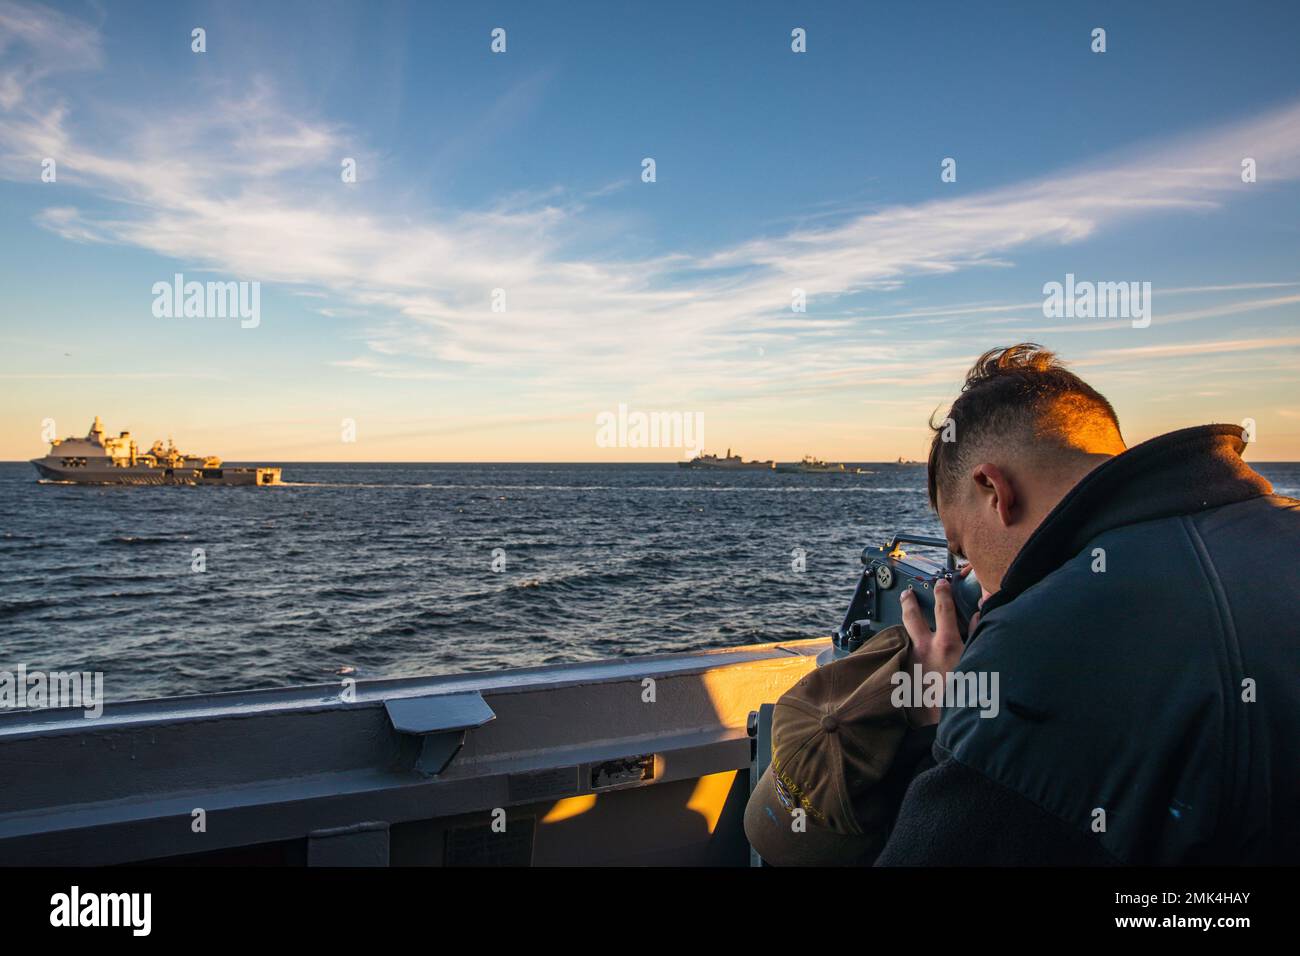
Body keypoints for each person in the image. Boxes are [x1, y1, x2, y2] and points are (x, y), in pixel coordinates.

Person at [875, 343, 1300, 864]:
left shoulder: (1034, 649)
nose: (970, 577)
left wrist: (943, 718)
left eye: (961, 546)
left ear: (993, 489)